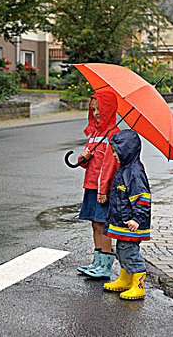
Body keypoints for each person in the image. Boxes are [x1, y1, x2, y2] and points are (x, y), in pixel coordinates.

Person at [102, 129, 151, 300]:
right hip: (122, 222)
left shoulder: (135, 172)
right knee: (121, 251)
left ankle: (139, 285)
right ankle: (125, 277)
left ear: (127, 150)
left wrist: (137, 218)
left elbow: (143, 198)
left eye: (117, 151)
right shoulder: (124, 169)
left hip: (132, 224)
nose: (114, 155)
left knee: (130, 253)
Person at [76, 91, 120, 279]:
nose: (96, 113)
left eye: (100, 109)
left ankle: (105, 265)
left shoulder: (112, 135)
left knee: (104, 225)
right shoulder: (95, 134)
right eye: (93, 109)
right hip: (91, 186)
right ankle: (97, 260)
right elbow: (87, 161)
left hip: (103, 190)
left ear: (109, 109)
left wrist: (103, 190)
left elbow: (110, 166)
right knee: (95, 223)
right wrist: (83, 158)